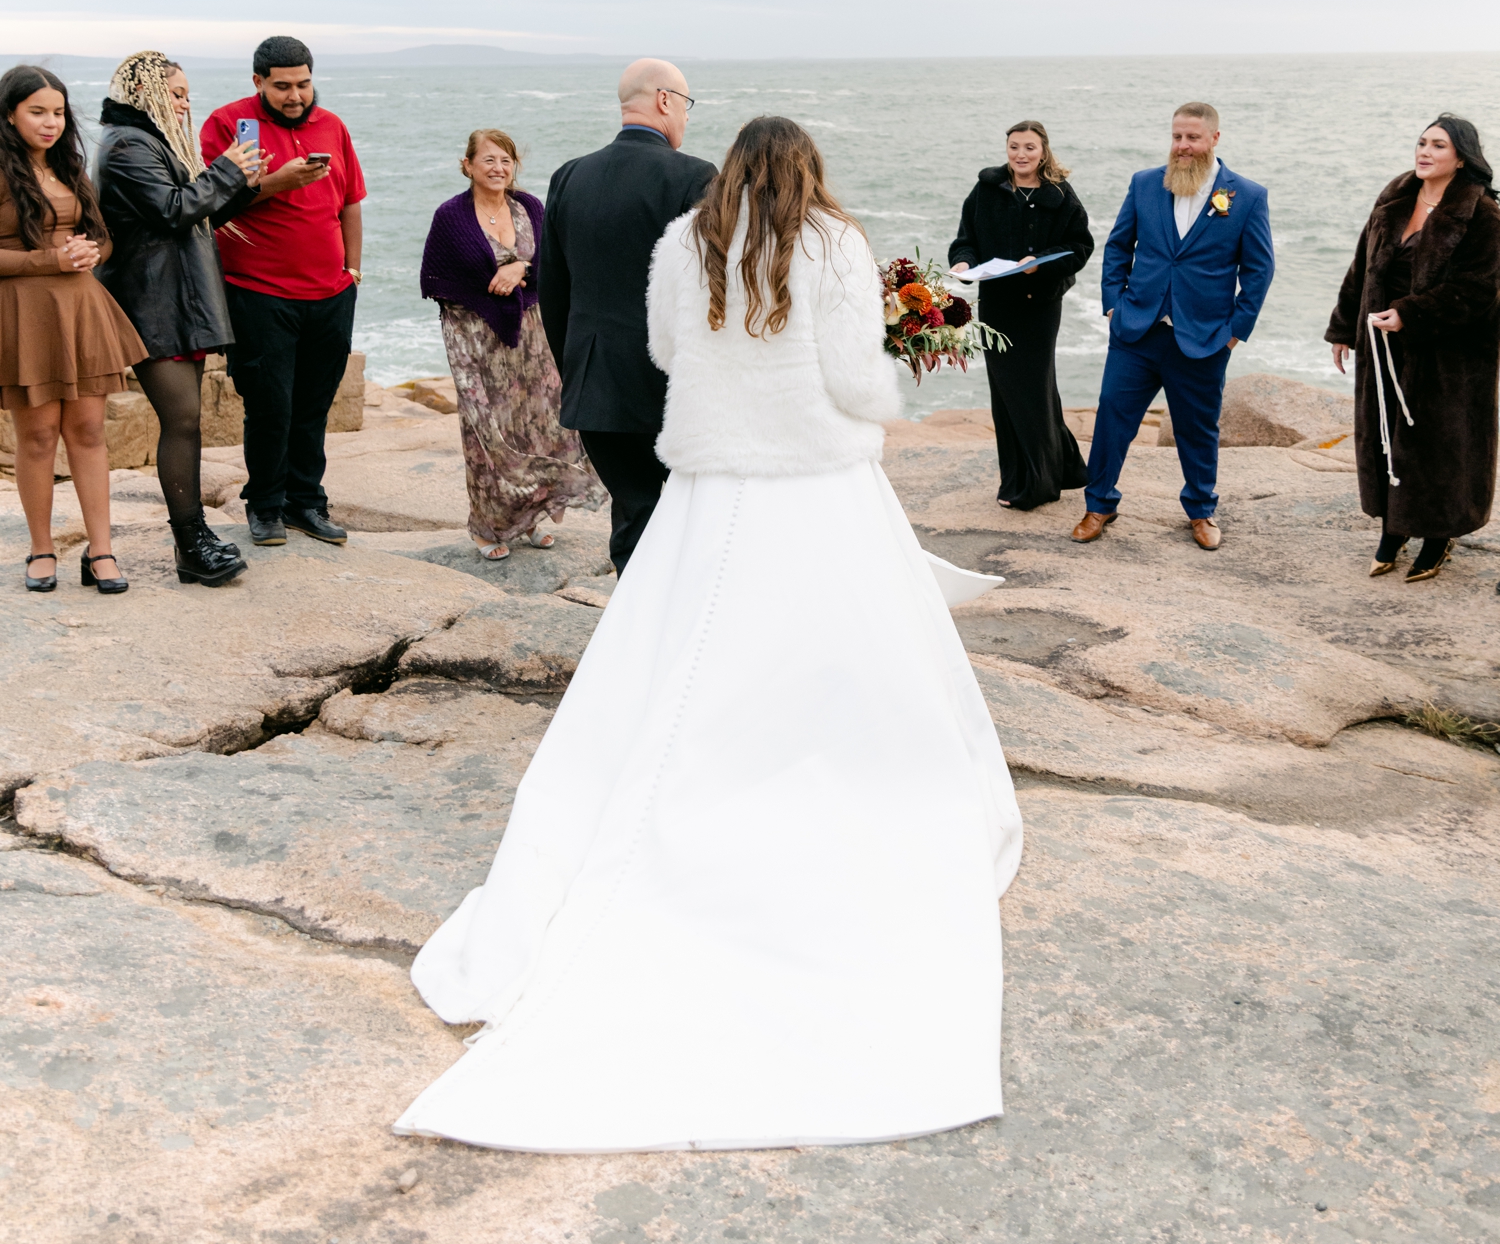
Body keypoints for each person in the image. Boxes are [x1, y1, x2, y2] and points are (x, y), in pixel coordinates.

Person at [393, 115, 1023, 1153]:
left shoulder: (683, 243)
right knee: (847, 647)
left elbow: (665, 348)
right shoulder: (832, 242)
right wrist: (883, 408)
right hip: (818, 474)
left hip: (715, 473)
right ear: (807, 171)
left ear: (729, 169)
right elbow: (855, 371)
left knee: (681, 648)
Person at [538, 58, 716, 571]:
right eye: (686, 104)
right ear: (665, 101)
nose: (685, 117)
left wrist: (575, 369)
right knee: (688, 514)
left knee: (635, 511)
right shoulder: (695, 176)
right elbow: (709, 288)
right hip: (668, 383)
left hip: (595, 385)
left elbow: (553, 290)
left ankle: (632, 634)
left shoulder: (569, 175)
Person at [1073, 100, 1274, 550]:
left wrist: (1235, 332)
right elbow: (1118, 247)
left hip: (1203, 338)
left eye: (1192, 137)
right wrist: (1113, 305)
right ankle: (1099, 503)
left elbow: (1259, 270)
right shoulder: (1145, 184)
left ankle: (1201, 511)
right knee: (1111, 416)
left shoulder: (1247, 196)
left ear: (1214, 139)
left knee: (1197, 428)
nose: (1182, 146)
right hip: (1137, 331)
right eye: (1176, 137)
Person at [94, 51, 260, 586]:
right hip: (151, 304)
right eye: (178, 94)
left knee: (185, 421)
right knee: (183, 416)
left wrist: (240, 183)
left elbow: (196, 214)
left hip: (175, 299)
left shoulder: (151, 142)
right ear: (147, 95)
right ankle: (190, 543)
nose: (188, 104)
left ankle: (196, 539)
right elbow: (174, 209)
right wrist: (227, 171)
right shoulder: (127, 147)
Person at [201, 35, 366, 548]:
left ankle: (306, 504)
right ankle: (265, 507)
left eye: (303, 83)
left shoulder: (332, 125)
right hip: (259, 292)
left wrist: (353, 272)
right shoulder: (228, 124)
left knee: (314, 403)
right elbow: (210, 206)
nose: (295, 96)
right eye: (282, 87)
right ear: (258, 82)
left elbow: (351, 202)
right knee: (270, 405)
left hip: (331, 292)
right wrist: (276, 182)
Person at [1326, 115, 1500, 584]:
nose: (1424, 152)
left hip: (1452, 357)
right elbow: (1362, 265)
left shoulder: (1483, 214)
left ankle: (1438, 536)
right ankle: (1394, 526)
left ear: (1461, 158)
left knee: (1438, 445)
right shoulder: (1396, 198)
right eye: (1421, 143)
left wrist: (1411, 313)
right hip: (1384, 344)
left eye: (1438, 146)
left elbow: (1480, 288)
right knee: (1386, 437)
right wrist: (1344, 328)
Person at [0, 65, 146, 593]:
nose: (50, 123)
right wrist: (50, 261)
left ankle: (101, 551)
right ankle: (41, 550)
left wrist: (89, 252)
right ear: (10, 114)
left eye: (58, 112)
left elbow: (101, 238)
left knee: (87, 431)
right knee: (37, 436)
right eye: (37, 112)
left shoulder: (69, 167)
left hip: (81, 309)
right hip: (26, 316)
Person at [419, 128, 598, 559]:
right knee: (487, 431)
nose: (498, 168)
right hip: (473, 339)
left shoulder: (531, 207)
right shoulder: (451, 216)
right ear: (468, 166)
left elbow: (556, 263)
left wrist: (520, 268)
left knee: (539, 425)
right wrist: (489, 288)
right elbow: (435, 280)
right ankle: (487, 528)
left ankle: (531, 516)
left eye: (506, 160)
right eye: (488, 160)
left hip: (533, 335)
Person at [949, 118, 1095, 508]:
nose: (1021, 154)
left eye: (1029, 147)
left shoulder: (1060, 195)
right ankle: (1060, 469)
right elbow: (966, 241)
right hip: (997, 306)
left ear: (1043, 151)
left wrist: (1040, 262)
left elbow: (1080, 247)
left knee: (1032, 389)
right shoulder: (986, 190)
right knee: (1007, 392)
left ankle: (1038, 485)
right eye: (1014, 146)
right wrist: (963, 264)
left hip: (1040, 307)